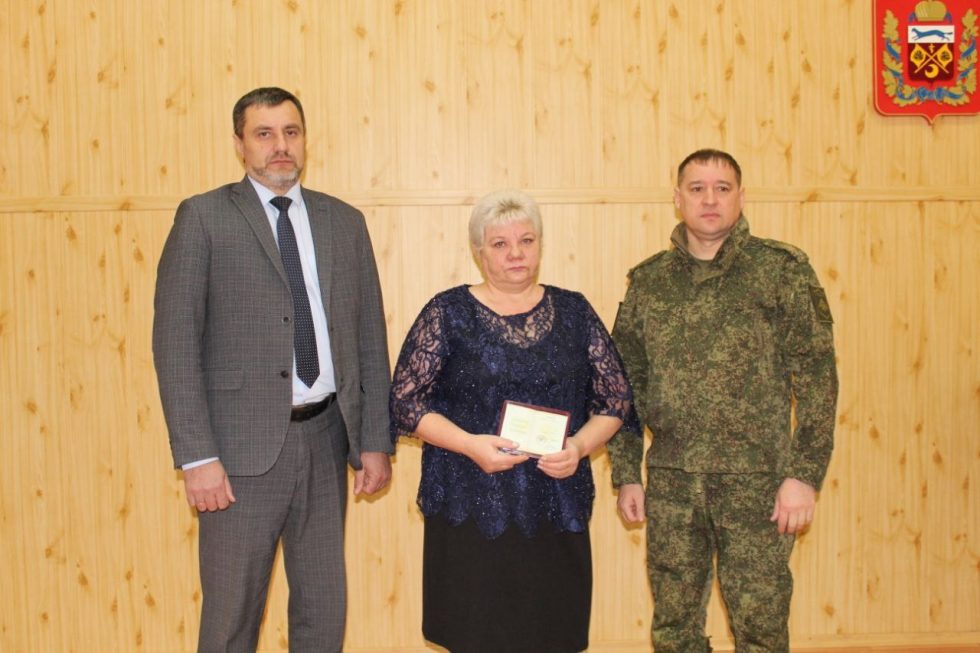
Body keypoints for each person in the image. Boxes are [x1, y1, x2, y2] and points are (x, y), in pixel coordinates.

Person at [152, 86, 393, 652]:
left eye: (291, 132)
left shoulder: (344, 222)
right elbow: (175, 345)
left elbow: (368, 338)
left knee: (322, 612)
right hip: (236, 457)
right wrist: (197, 457)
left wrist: (374, 440)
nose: (280, 145)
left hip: (327, 439)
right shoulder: (203, 218)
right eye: (264, 134)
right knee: (232, 618)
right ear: (240, 144)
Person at [389, 190, 641, 653]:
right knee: (476, 633)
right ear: (479, 252)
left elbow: (616, 399)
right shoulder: (448, 312)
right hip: (471, 499)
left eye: (526, 240)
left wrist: (580, 448)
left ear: (540, 245)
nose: (516, 253)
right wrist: (469, 444)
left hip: (555, 499)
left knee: (551, 632)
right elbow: (405, 402)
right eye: (500, 244)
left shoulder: (575, 311)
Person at [608, 149, 838, 652]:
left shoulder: (780, 271)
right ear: (677, 198)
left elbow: (817, 378)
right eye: (697, 188)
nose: (709, 199)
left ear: (741, 196)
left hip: (758, 482)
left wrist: (804, 476)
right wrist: (626, 473)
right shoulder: (649, 282)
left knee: (761, 627)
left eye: (722, 188)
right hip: (673, 481)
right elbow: (623, 386)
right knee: (675, 628)